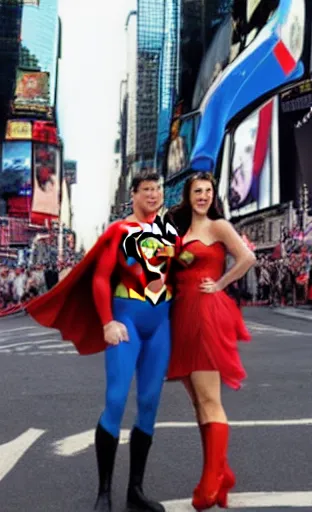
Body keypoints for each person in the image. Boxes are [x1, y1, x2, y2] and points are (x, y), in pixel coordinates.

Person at [26, 171, 179, 512]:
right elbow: (99, 278)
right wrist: (108, 322)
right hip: (126, 324)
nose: (153, 195)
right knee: (115, 400)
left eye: (157, 189)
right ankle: (104, 492)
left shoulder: (169, 234)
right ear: (134, 196)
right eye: (146, 190)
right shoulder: (119, 231)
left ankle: (135, 491)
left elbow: (182, 269)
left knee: (150, 405)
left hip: (159, 326)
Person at [164, 172, 255, 510]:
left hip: (205, 313)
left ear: (213, 195)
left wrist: (219, 284)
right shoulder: (182, 231)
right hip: (182, 315)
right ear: (188, 196)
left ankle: (211, 480)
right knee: (198, 402)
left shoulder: (219, 226)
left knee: (209, 398)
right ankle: (223, 473)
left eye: (208, 191)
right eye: (197, 191)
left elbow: (247, 258)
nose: (203, 196)